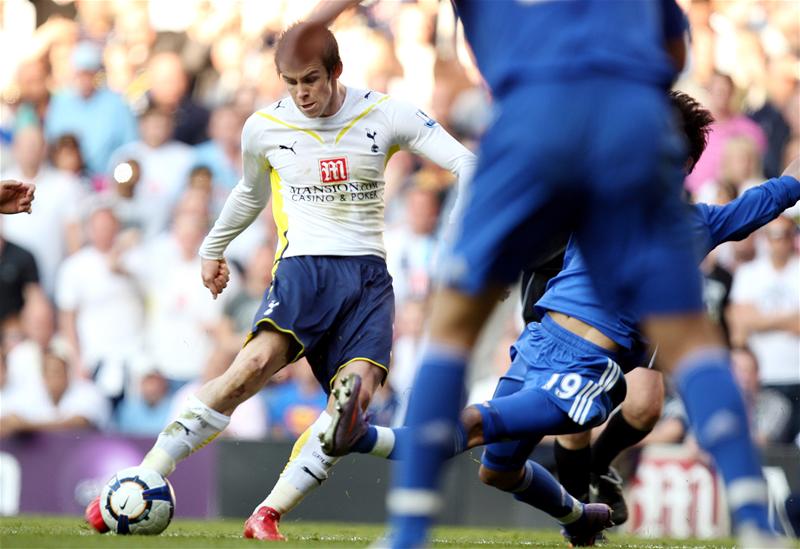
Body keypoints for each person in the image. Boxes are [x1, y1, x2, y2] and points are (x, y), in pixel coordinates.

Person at [309, 2, 786, 546]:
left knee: (470, 393)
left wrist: (320, 18)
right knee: (497, 469)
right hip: (539, 343)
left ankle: (386, 484)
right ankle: (580, 515)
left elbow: (773, 194)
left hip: (586, 368)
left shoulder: (686, 219)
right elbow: (672, 54)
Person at [84, 22, 476, 540]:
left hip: (367, 282)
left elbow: (469, 166)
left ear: (336, 71)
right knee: (250, 367)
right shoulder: (266, 127)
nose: (301, 93)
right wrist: (212, 247)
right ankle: (145, 474)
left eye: (310, 80)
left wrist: (460, 241)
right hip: (303, 271)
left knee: (351, 405)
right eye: (290, 82)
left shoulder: (386, 113)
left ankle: (267, 513)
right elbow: (249, 192)